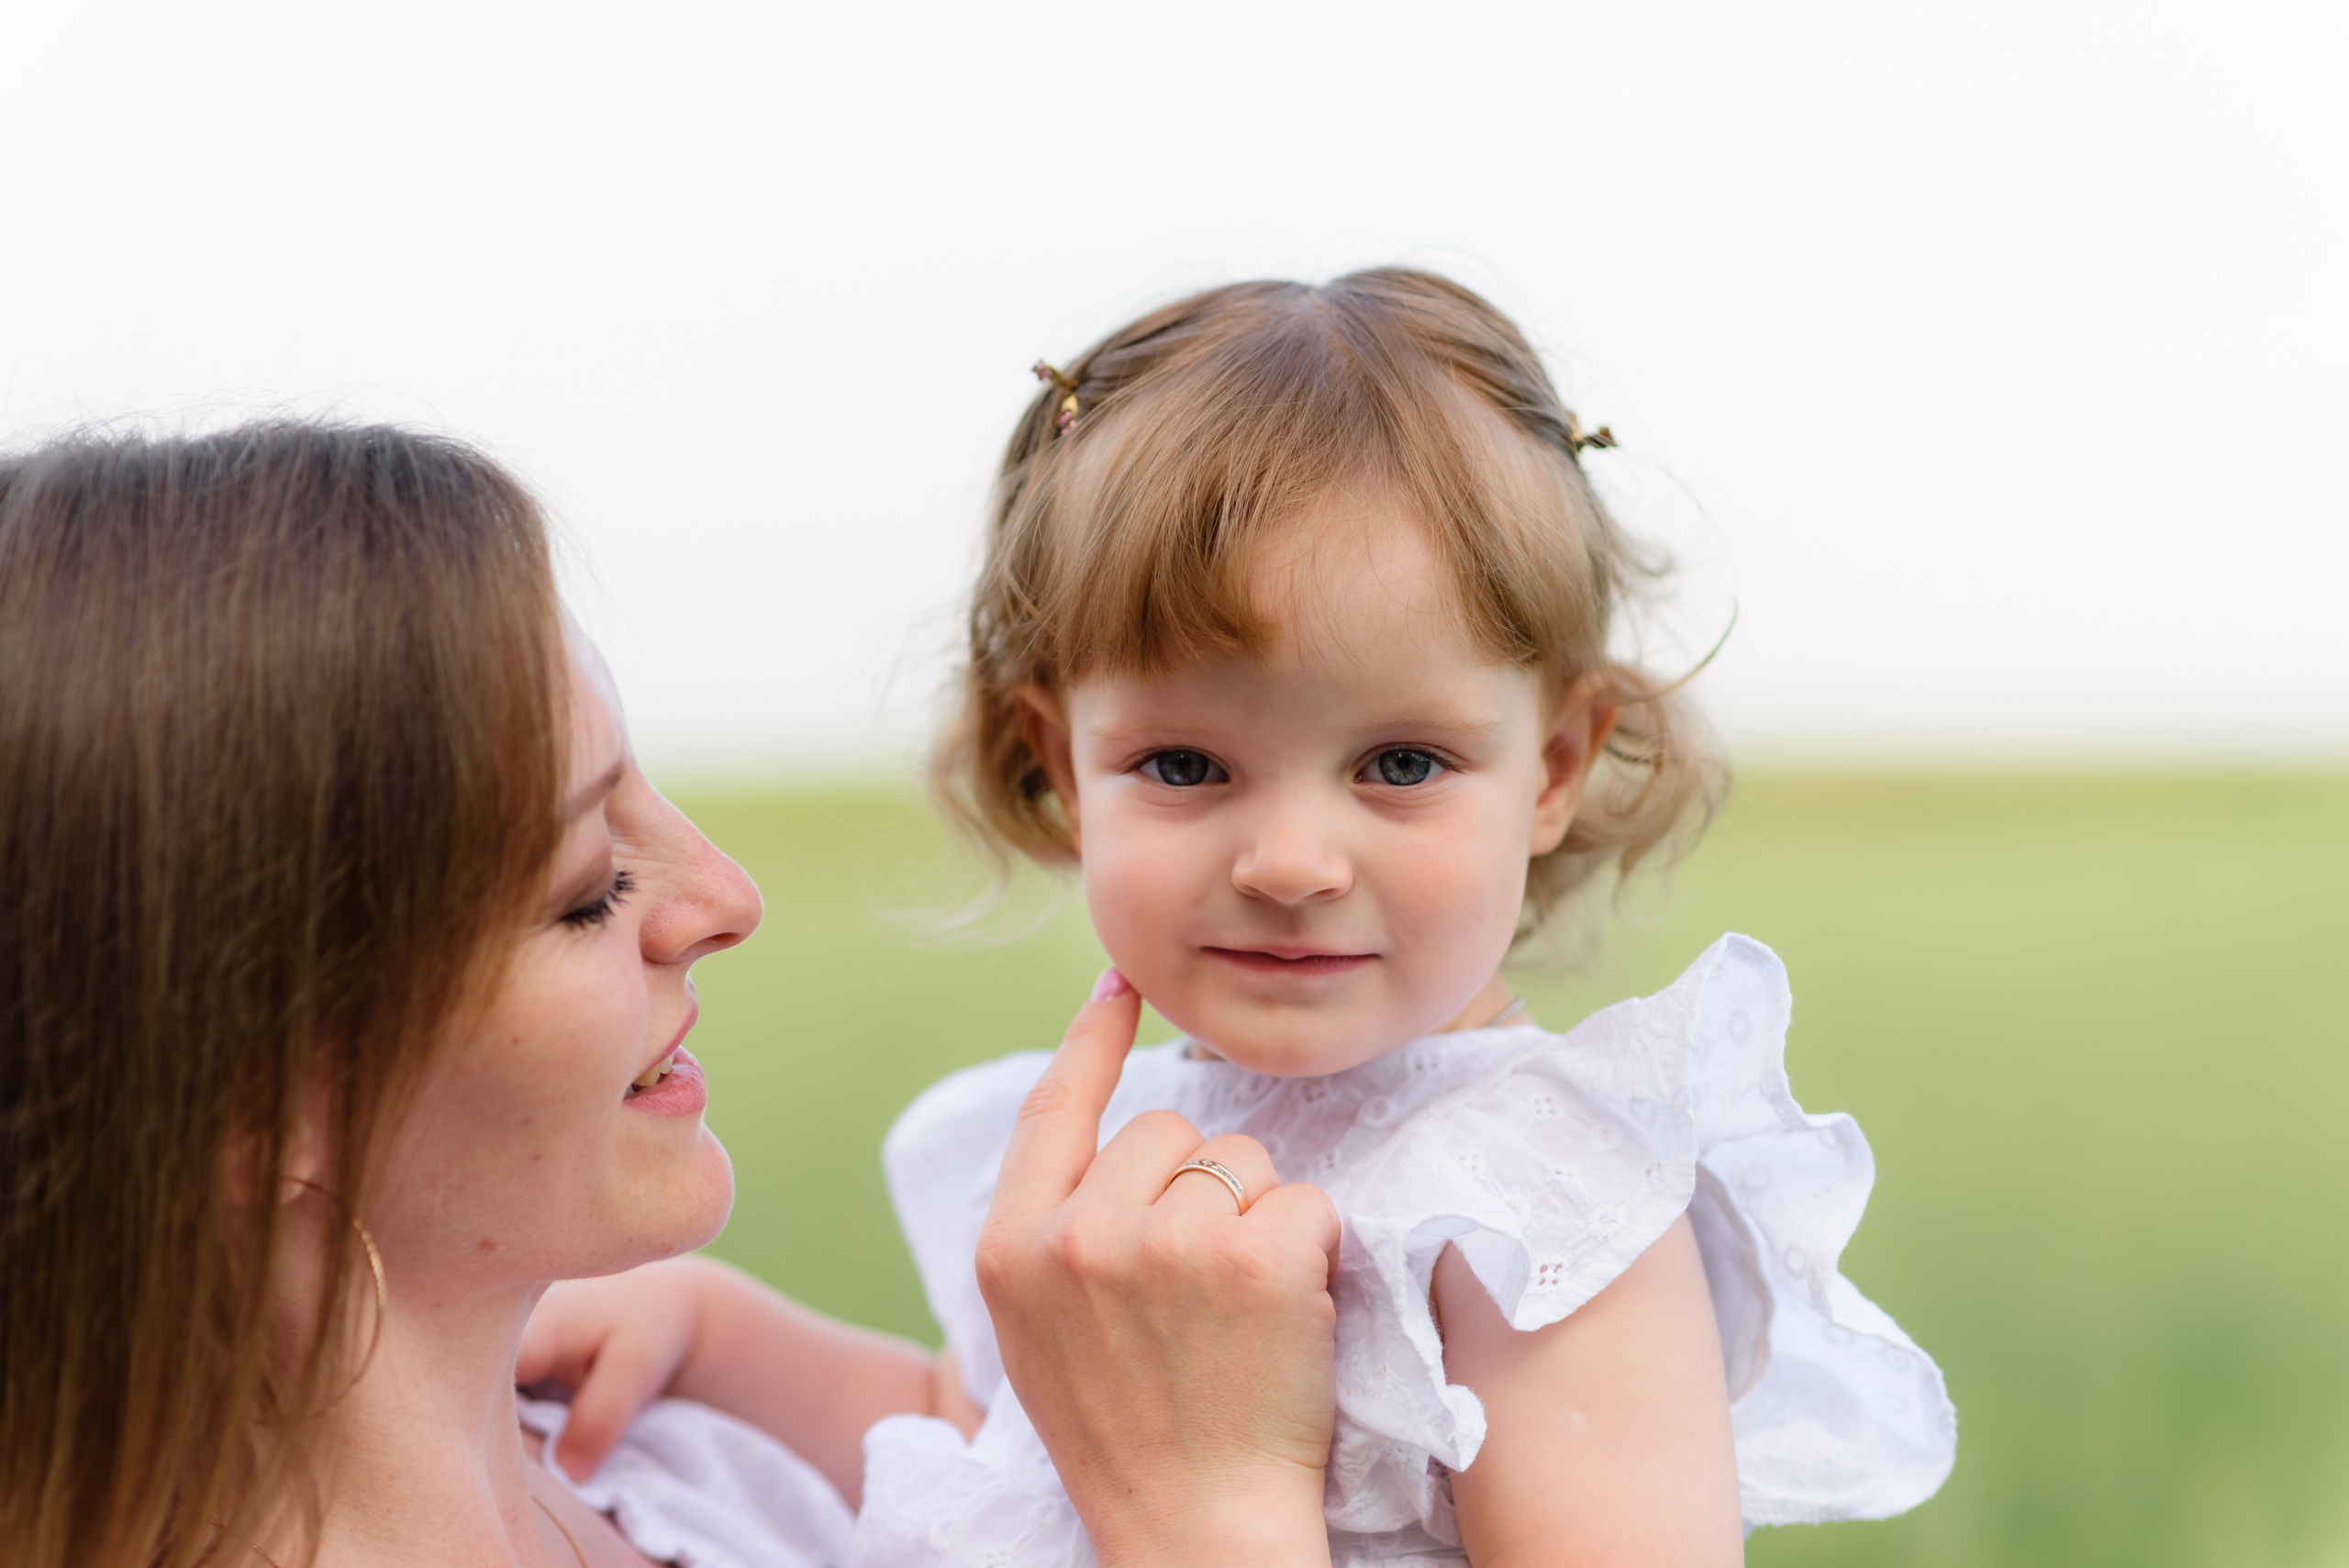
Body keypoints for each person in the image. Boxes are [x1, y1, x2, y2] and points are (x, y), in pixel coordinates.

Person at [532, 271, 1959, 1566]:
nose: (1287, 859)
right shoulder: (1134, 1141)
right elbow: (1009, 1465)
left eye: (1400, 765)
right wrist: (718, 1334)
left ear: (1558, 767)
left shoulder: (1540, 1221)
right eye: (1186, 766)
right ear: (1060, 763)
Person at [0, 423, 1345, 1568]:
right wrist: (1211, 1514)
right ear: (255, 1096)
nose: (725, 897)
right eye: (589, 882)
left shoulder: (694, 1463)